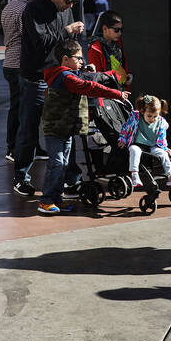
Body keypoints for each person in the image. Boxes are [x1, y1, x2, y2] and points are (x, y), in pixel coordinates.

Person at [13, 0, 85, 197]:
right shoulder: (34, 8)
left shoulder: (66, 9)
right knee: (29, 128)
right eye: (68, 0)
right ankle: (21, 177)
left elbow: (66, 44)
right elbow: (40, 40)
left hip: (60, 76)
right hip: (35, 77)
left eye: (74, 2)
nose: (70, 5)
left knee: (66, 128)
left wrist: (79, 60)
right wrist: (67, 29)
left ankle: (70, 178)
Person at [38, 40, 128, 214]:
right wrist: (117, 94)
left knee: (63, 164)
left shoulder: (67, 74)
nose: (82, 61)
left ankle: (56, 198)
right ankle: (46, 200)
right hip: (56, 129)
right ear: (65, 59)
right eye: (78, 58)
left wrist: (107, 74)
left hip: (64, 128)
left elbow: (87, 78)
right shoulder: (66, 78)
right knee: (57, 164)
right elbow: (90, 86)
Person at [0, 0, 35, 162]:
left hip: (9, 61)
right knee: (22, 108)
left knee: (18, 106)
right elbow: (28, 35)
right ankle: (13, 147)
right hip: (19, 63)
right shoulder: (25, 9)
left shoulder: (8, 7)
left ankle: (16, 146)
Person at [118, 94, 171, 189]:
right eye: (149, 116)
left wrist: (165, 148)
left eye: (155, 116)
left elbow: (162, 138)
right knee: (134, 150)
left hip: (153, 146)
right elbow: (126, 128)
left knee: (163, 154)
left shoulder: (161, 122)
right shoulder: (136, 118)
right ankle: (135, 175)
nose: (152, 119)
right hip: (137, 144)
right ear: (142, 111)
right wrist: (122, 139)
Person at [86, 10, 130, 88]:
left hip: (120, 90)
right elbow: (96, 78)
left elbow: (122, 63)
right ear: (105, 28)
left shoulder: (117, 42)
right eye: (116, 30)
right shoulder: (94, 48)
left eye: (121, 29)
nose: (119, 33)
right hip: (106, 94)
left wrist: (128, 75)